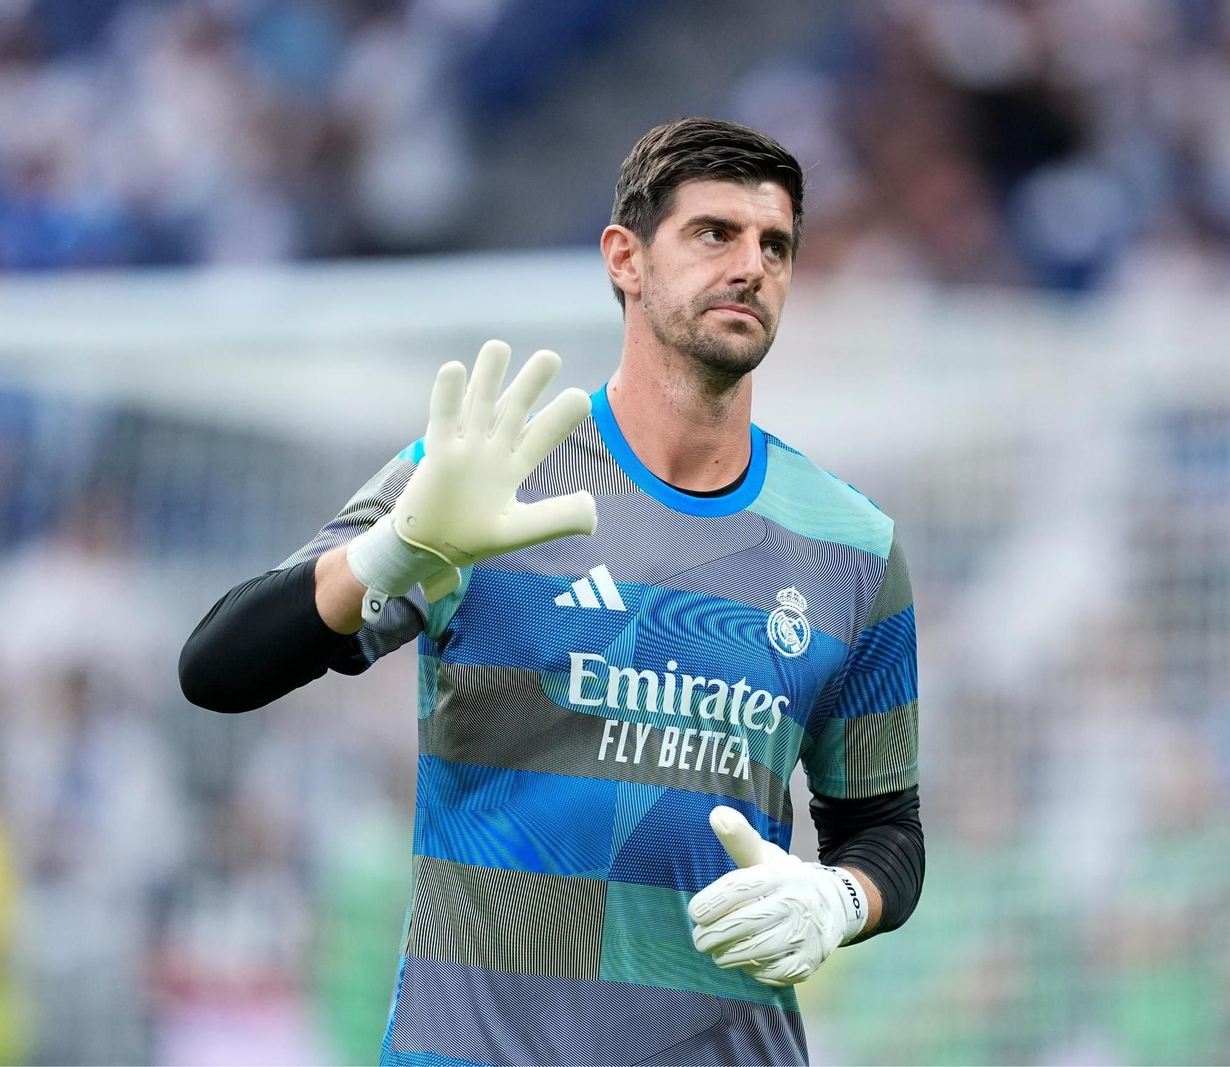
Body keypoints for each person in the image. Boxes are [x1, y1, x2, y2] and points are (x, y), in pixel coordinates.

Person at [179, 117, 924, 1066]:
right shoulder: (484, 477)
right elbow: (217, 669)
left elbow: (886, 828)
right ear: (625, 258)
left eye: (774, 244)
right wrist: (393, 552)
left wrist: (839, 898)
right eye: (713, 233)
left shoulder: (851, 546)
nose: (751, 265)